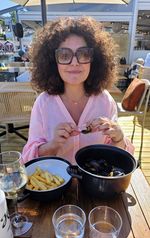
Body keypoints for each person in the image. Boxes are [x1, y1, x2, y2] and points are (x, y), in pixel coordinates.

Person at [22, 17, 134, 164]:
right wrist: (53, 145)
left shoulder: (105, 101)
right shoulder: (42, 104)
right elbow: (27, 159)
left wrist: (118, 138)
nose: (74, 62)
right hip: (58, 184)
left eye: (83, 54)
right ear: (52, 61)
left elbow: (114, 155)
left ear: (94, 60)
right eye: (64, 55)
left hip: (95, 185)